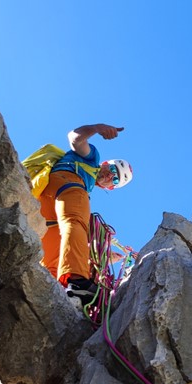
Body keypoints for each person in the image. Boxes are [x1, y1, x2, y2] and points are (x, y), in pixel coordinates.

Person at [38, 123, 132, 307]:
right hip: (68, 184)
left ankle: (52, 291)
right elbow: (75, 138)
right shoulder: (91, 159)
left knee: (54, 255)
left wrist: (101, 255)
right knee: (77, 222)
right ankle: (77, 281)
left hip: (46, 200)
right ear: (105, 163)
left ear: (109, 188)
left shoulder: (85, 183)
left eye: (114, 180)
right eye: (112, 170)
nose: (108, 176)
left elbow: (71, 240)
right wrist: (96, 128)